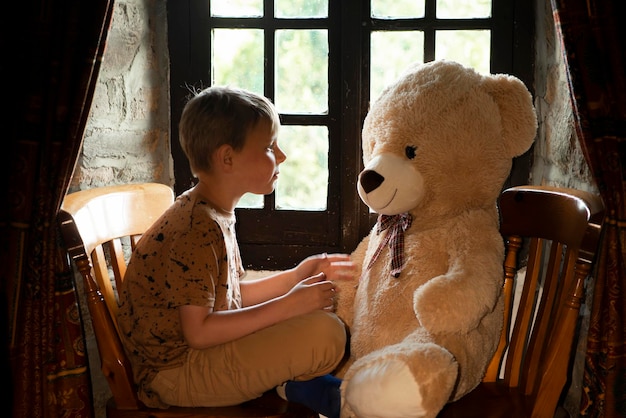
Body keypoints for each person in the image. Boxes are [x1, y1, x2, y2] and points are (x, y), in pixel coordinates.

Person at [116, 86, 355, 418]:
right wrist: (287, 305)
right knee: (325, 333)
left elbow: (230, 296)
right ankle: (296, 386)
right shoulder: (196, 228)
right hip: (175, 374)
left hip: (195, 358)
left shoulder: (211, 211)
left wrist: (296, 276)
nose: (282, 156)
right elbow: (198, 332)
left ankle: (296, 386)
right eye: (270, 146)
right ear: (227, 158)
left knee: (318, 321)